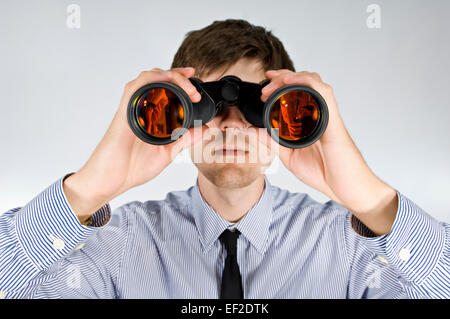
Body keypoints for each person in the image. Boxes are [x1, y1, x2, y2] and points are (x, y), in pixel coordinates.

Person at [0, 19, 448, 299]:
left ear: (283, 115)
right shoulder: (115, 246)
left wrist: (371, 200)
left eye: (257, 108)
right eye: (208, 107)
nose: (232, 125)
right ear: (176, 113)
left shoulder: (348, 249)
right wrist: (87, 190)